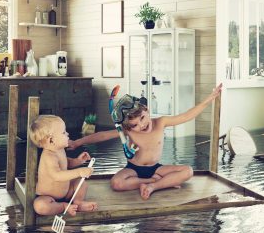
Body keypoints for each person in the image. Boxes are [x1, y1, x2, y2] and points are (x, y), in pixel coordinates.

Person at [68, 84, 223, 200]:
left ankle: (153, 186)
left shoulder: (161, 122)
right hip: (133, 169)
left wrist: (210, 98)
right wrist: (77, 142)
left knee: (188, 171)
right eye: (135, 125)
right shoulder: (127, 131)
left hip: (156, 168)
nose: (141, 125)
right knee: (116, 183)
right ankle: (154, 181)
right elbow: (101, 136)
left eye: (142, 118)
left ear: (147, 110)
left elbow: (187, 116)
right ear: (129, 126)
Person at [29, 115, 98, 216]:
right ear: (51, 140)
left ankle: (78, 202)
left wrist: (78, 161)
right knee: (40, 206)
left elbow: (65, 163)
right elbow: (57, 175)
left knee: (81, 183)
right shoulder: (48, 156)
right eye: (63, 132)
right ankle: (63, 206)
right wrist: (79, 172)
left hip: (66, 191)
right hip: (48, 197)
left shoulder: (59, 149)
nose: (67, 133)